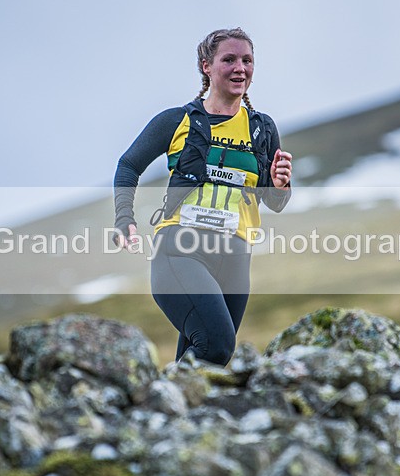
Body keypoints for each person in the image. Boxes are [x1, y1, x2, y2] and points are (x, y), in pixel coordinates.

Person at [113, 27, 292, 366]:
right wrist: (125, 218)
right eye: (229, 60)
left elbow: (274, 201)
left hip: (236, 257)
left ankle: (164, 411)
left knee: (207, 361)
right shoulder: (177, 120)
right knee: (218, 344)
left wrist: (281, 183)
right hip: (181, 250)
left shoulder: (262, 128)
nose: (240, 68)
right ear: (206, 66)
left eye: (247, 60)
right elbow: (128, 165)